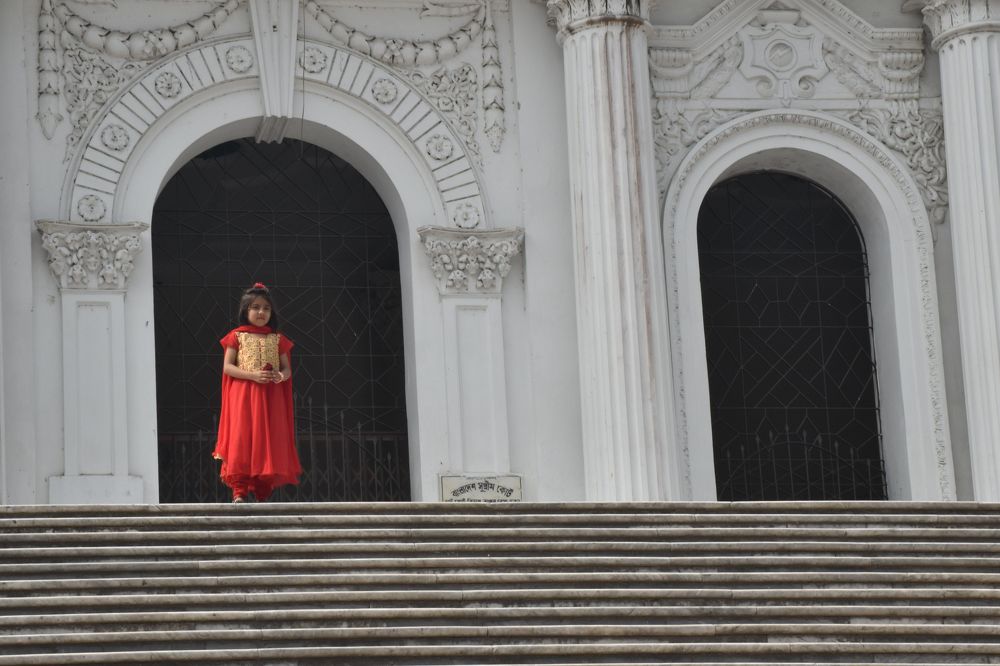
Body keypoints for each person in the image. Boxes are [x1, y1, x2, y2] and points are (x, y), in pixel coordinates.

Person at [213, 282, 301, 503]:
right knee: (242, 438)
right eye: (256, 307)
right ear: (246, 310)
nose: (261, 312)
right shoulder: (236, 336)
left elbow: (287, 369)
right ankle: (239, 492)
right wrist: (253, 376)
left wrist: (282, 376)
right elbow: (227, 367)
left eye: (266, 308)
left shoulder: (277, 339)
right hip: (243, 395)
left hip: (271, 397)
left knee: (268, 440)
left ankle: (263, 492)